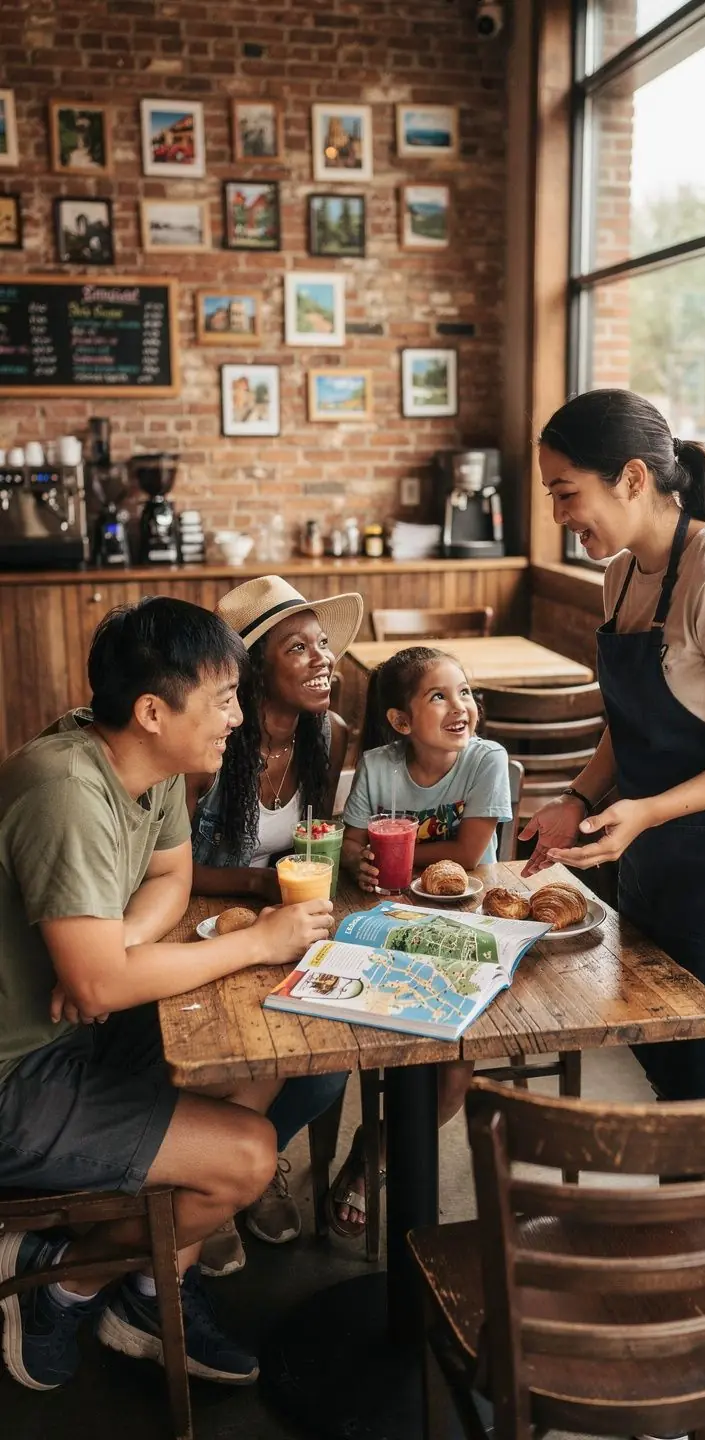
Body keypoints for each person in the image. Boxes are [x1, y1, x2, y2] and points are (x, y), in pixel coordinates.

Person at [0, 597, 334, 1393]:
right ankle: (63, 1283)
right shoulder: (66, 789)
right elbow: (95, 984)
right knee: (247, 1160)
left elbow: (170, 878)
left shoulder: (145, 765)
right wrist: (256, 941)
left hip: (84, 1031)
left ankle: (150, 1293)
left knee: (267, 1045)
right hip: (18, 1074)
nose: (236, 716)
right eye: (223, 698)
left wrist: (114, 951)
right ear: (152, 710)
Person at [523, 387, 705, 1103]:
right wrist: (579, 797)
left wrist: (648, 811)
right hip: (661, 860)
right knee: (669, 1065)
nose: (559, 516)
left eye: (566, 493)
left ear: (631, 477)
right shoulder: (621, 575)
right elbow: (632, 723)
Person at [187, 575, 364, 1275]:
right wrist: (261, 884)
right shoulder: (210, 745)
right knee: (234, 1063)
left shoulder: (333, 737)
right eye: (300, 648)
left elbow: (315, 839)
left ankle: (245, 1175)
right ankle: (219, 1181)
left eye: (324, 645)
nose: (324, 659)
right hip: (199, 935)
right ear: (257, 669)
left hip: (286, 927)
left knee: (325, 1066)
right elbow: (171, 872)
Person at [335, 645, 513, 1235]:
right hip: (386, 927)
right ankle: (378, 1139)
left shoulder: (485, 759)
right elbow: (354, 845)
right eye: (439, 695)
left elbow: (468, 855)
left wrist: (393, 856)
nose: (461, 706)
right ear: (402, 721)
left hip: (467, 924)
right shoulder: (380, 766)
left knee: (453, 1079)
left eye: (465, 692)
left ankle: (378, 1147)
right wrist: (360, 865)